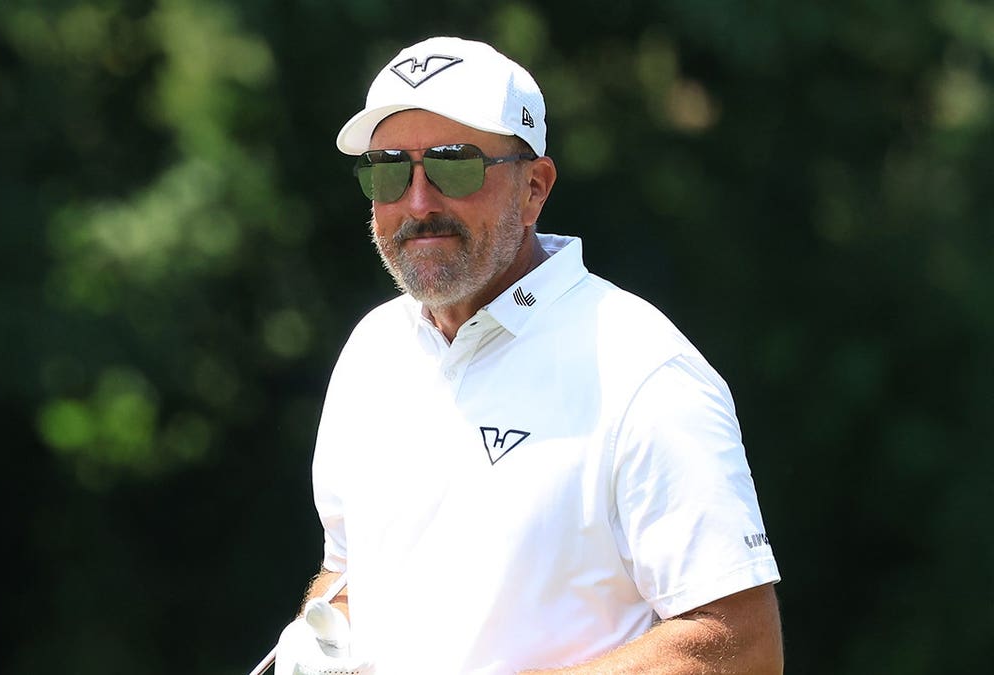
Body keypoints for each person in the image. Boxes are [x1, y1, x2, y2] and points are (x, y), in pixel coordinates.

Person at [275, 36, 782, 674]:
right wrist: (320, 638)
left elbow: (743, 648)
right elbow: (349, 572)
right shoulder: (373, 351)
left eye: (454, 165)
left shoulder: (643, 368)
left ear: (534, 187)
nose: (419, 202)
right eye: (388, 171)